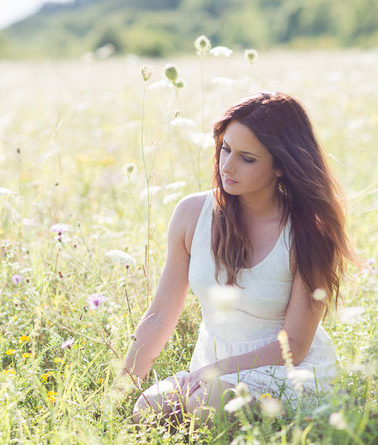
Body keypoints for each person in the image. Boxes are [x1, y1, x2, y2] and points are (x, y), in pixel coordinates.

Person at [119, 92, 358, 429]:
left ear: (280, 166)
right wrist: (117, 394)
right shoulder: (191, 213)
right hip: (211, 370)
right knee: (149, 407)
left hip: (286, 372)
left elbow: (295, 345)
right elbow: (159, 316)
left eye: (247, 158)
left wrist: (216, 372)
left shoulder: (308, 231)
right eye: (225, 149)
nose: (227, 166)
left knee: (209, 403)